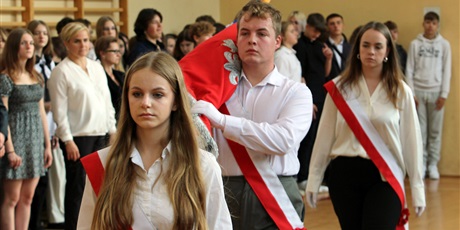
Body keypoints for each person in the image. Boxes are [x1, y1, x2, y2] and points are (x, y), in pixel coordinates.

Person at [191, 2, 312, 229]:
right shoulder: (218, 92)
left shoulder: (296, 92)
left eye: (262, 33)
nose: (252, 40)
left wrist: (222, 121)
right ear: (236, 40)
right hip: (224, 189)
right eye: (244, 33)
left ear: (277, 42)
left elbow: (282, 140)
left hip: (276, 192)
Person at [77, 52, 232, 229]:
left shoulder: (202, 165)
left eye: (157, 95)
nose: (145, 103)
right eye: (136, 94)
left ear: (175, 101)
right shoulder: (104, 163)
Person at [305, 21, 426, 230]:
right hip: (344, 175)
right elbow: (324, 137)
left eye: (378, 46)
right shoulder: (339, 88)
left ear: (387, 50)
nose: (371, 51)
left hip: (384, 176)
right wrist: (314, 178)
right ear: (357, 49)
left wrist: (417, 187)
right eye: (366, 45)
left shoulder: (401, 91)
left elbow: (411, 141)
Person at [48, 22, 116, 230]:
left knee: (102, 186)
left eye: (86, 40)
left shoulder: (96, 67)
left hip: (101, 134)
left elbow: (107, 102)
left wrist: (112, 130)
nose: (83, 45)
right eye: (77, 41)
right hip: (78, 138)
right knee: (78, 189)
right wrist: (67, 140)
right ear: (67, 43)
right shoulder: (62, 71)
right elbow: (59, 111)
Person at [0, 28, 53, 230]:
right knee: (11, 198)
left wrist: (47, 146)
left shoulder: (36, 76)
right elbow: (2, 115)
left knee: (28, 197)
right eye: (24, 43)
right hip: (15, 139)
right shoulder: (5, 78)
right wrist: (10, 149)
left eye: (31, 43)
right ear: (14, 47)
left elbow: (42, 113)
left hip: (35, 140)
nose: (30, 46)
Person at [27, 19, 66, 230]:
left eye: (44, 33)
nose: (41, 36)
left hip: (51, 125)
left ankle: (47, 220)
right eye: (36, 33)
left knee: (49, 180)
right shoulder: (28, 64)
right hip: (33, 124)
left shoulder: (51, 62)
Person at [406, 11, 451, 180]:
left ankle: (433, 165)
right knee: (420, 131)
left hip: (437, 92)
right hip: (418, 92)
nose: (430, 26)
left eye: (433, 23)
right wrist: (412, 92)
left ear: (437, 25)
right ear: (423, 24)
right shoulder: (415, 44)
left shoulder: (444, 45)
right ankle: (422, 164)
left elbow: (447, 70)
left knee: (434, 132)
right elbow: (409, 69)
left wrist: (444, 94)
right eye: (427, 22)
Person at [293, 13, 332, 191]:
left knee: (316, 137)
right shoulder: (299, 45)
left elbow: (324, 74)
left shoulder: (320, 45)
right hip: (307, 95)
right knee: (306, 138)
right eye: (314, 30)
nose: (316, 34)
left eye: (319, 32)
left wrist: (329, 58)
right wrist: (307, 100)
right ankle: (301, 177)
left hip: (320, 93)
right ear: (307, 26)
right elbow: (300, 75)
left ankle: (311, 176)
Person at [94, 35, 125, 121]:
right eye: (114, 51)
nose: (118, 55)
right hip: (107, 120)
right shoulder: (97, 76)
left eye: (119, 51)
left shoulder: (121, 75)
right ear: (102, 53)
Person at [325, 13, 351, 81]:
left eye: (338, 23)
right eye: (332, 24)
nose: (336, 26)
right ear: (327, 27)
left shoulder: (350, 47)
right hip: (330, 84)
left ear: (343, 25)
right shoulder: (324, 46)